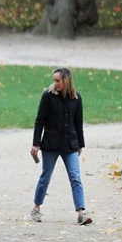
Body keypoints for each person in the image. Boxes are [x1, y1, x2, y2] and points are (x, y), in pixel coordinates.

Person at [30, 67, 92, 225]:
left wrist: (80, 144)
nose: (55, 83)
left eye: (58, 81)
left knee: (75, 178)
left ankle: (81, 213)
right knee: (45, 177)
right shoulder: (48, 96)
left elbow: (79, 123)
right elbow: (40, 121)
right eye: (54, 80)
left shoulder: (77, 98)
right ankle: (36, 208)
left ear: (66, 80)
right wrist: (36, 144)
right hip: (51, 144)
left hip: (70, 144)